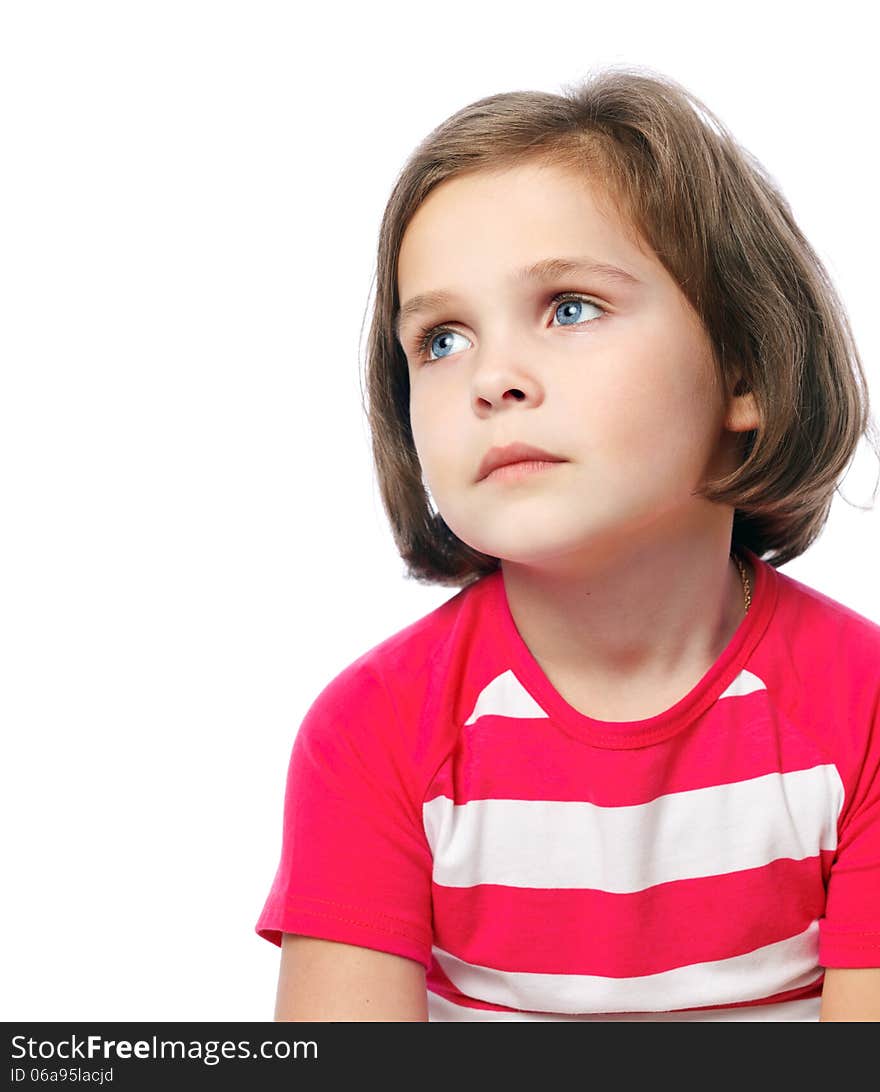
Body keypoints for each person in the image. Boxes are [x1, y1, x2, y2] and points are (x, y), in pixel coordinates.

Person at [255, 65, 880, 1021]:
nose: (492, 376)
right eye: (442, 339)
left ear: (745, 367)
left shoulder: (861, 710)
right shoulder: (372, 736)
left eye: (570, 307)